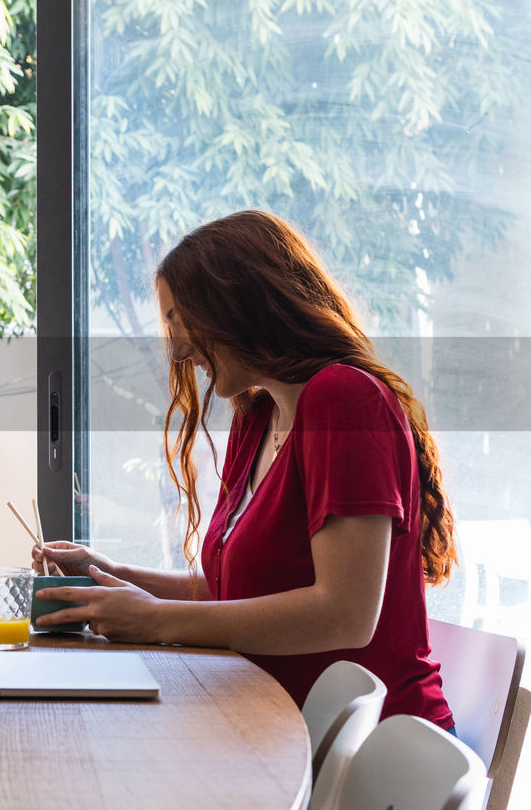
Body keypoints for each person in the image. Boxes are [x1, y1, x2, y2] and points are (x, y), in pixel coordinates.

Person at [34, 210, 455, 730]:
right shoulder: (257, 419)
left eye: (178, 320)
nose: (179, 348)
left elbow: (346, 614)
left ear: (238, 307)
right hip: (269, 726)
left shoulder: (344, 400)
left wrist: (156, 619)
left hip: (363, 756)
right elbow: (230, 591)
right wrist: (109, 576)